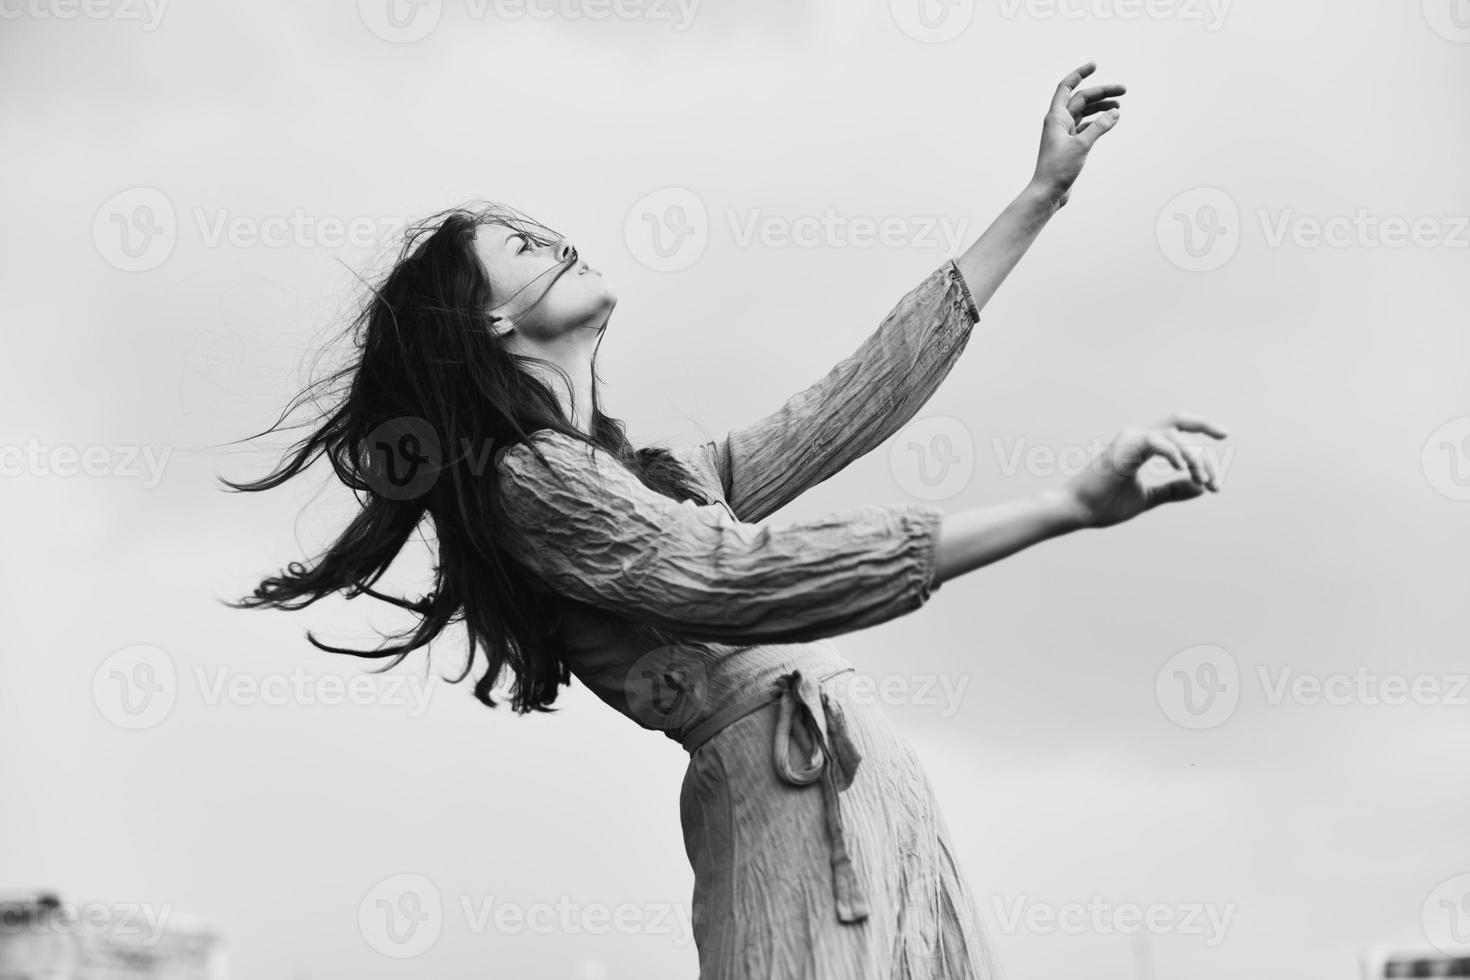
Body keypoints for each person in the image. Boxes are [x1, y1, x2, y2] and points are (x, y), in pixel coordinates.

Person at [227, 61, 1226, 979]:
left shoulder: (657, 474)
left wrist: (1041, 194)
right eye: (523, 247)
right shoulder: (530, 487)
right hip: (791, 802)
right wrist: (1065, 509)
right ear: (487, 319)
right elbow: (734, 577)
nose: (563, 242)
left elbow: (853, 399)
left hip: (870, 784)